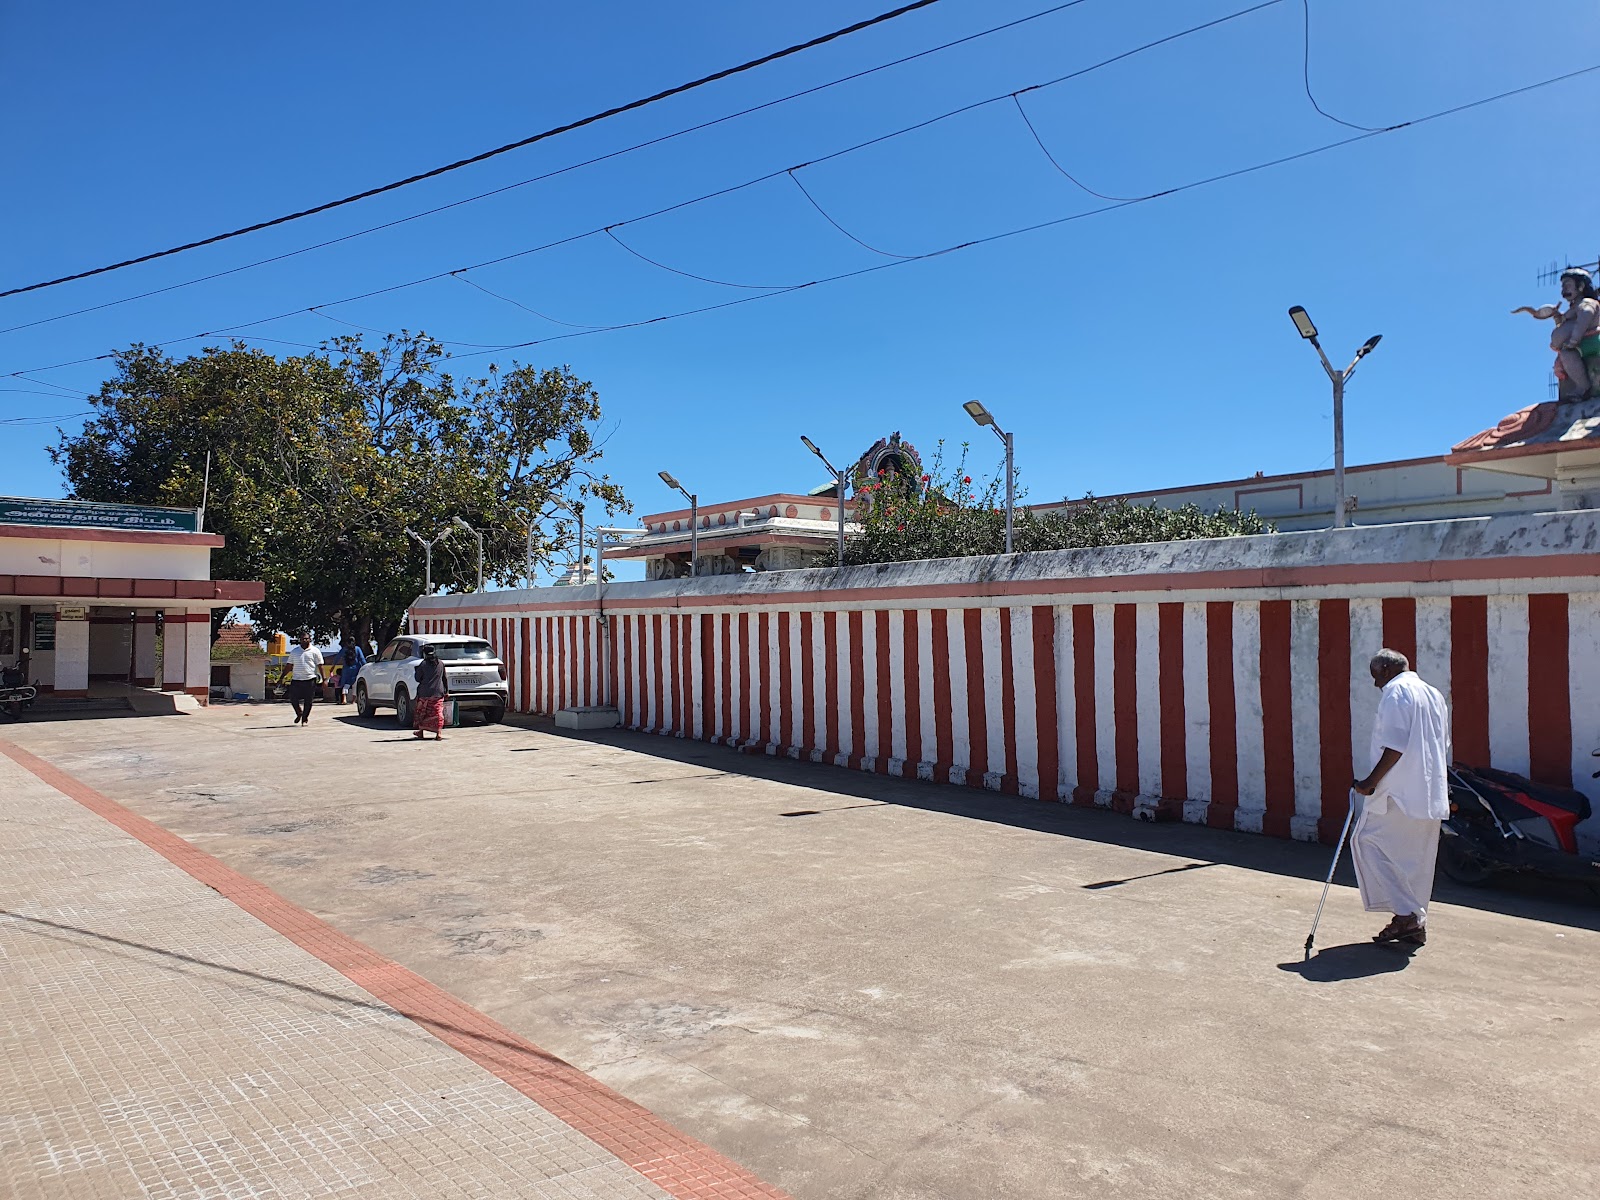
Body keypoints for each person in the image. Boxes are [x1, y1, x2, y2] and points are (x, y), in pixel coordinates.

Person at [1351, 648, 1450, 947]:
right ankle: (1416, 922)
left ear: (1385, 670)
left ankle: (1405, 914)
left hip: (1399, 792)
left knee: (1366, 841)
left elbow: (1395, 746)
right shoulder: (1433, 694)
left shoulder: (1395, 693)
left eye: (1375, 677)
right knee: (1416, 860)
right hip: (1430, 792)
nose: (1375, 685)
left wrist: (1369, 782)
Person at [412, 643, 450, 741]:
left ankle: (420, 732)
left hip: (424, 693)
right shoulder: (440, 663)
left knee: (422, 712)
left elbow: (417, 678)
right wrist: (446, 691)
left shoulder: (423, 664)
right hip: (438, 693)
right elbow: (444, 678)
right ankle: (439, 733)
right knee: (437, 712)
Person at [286, 632, 324, 726]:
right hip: (296, 679)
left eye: (306, 639)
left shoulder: (315, 651)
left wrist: (325, 679)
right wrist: (281, 677)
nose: (305, 640)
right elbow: (289, 666)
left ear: (310, 639)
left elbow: (320, 665)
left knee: (309, 701)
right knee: (293, 699)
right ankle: (299, 713)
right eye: (303, 639)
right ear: (300, 640)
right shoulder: (295, 651)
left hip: (310, 679)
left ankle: (305, 718)